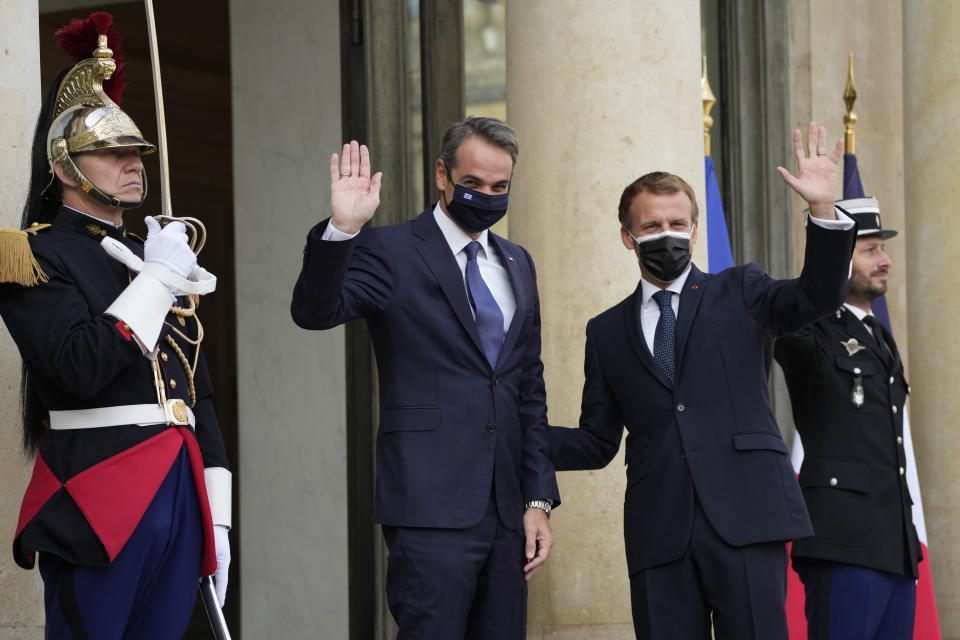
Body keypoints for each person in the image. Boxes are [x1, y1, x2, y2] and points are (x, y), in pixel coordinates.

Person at [546, 122, 857, 640]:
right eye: (651, 227)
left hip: (747, 517)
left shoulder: (742, 290)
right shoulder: (604, 331)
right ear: (628, 236)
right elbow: (597, 441)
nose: (666, 235)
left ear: (693, 230)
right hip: (658, 532)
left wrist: (823, 212)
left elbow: (817, 296)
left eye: (677, 223)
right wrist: (511, 433)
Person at [0, 13, 231, 638]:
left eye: (137, 153)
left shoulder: (150, 254)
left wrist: (219, 513)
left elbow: (193, 393)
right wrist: (156, 281)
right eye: (114, 152)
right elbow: (78, 366)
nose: (134, 164)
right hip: (99, 494)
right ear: (69, 167)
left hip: (179, 491)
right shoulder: (32, 255)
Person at [291, 116, 559, 638]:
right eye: (473, 184)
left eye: (499, 187)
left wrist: (537, 499)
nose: (486, 196)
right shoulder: (389, 250)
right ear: (442, 174)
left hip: (508, 512)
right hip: (428, 505)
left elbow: (529, 389)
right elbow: (314, 312)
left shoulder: (518, 262)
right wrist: (343, 229)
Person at [774, 197, 921, 639]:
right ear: (841, 258)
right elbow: (793, 320)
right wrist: (824, 226)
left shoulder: (877, 334)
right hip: (843, 540)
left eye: (883, 248)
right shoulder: (808, 329)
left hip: (894, 544)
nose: (886, 261)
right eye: (870, 250)